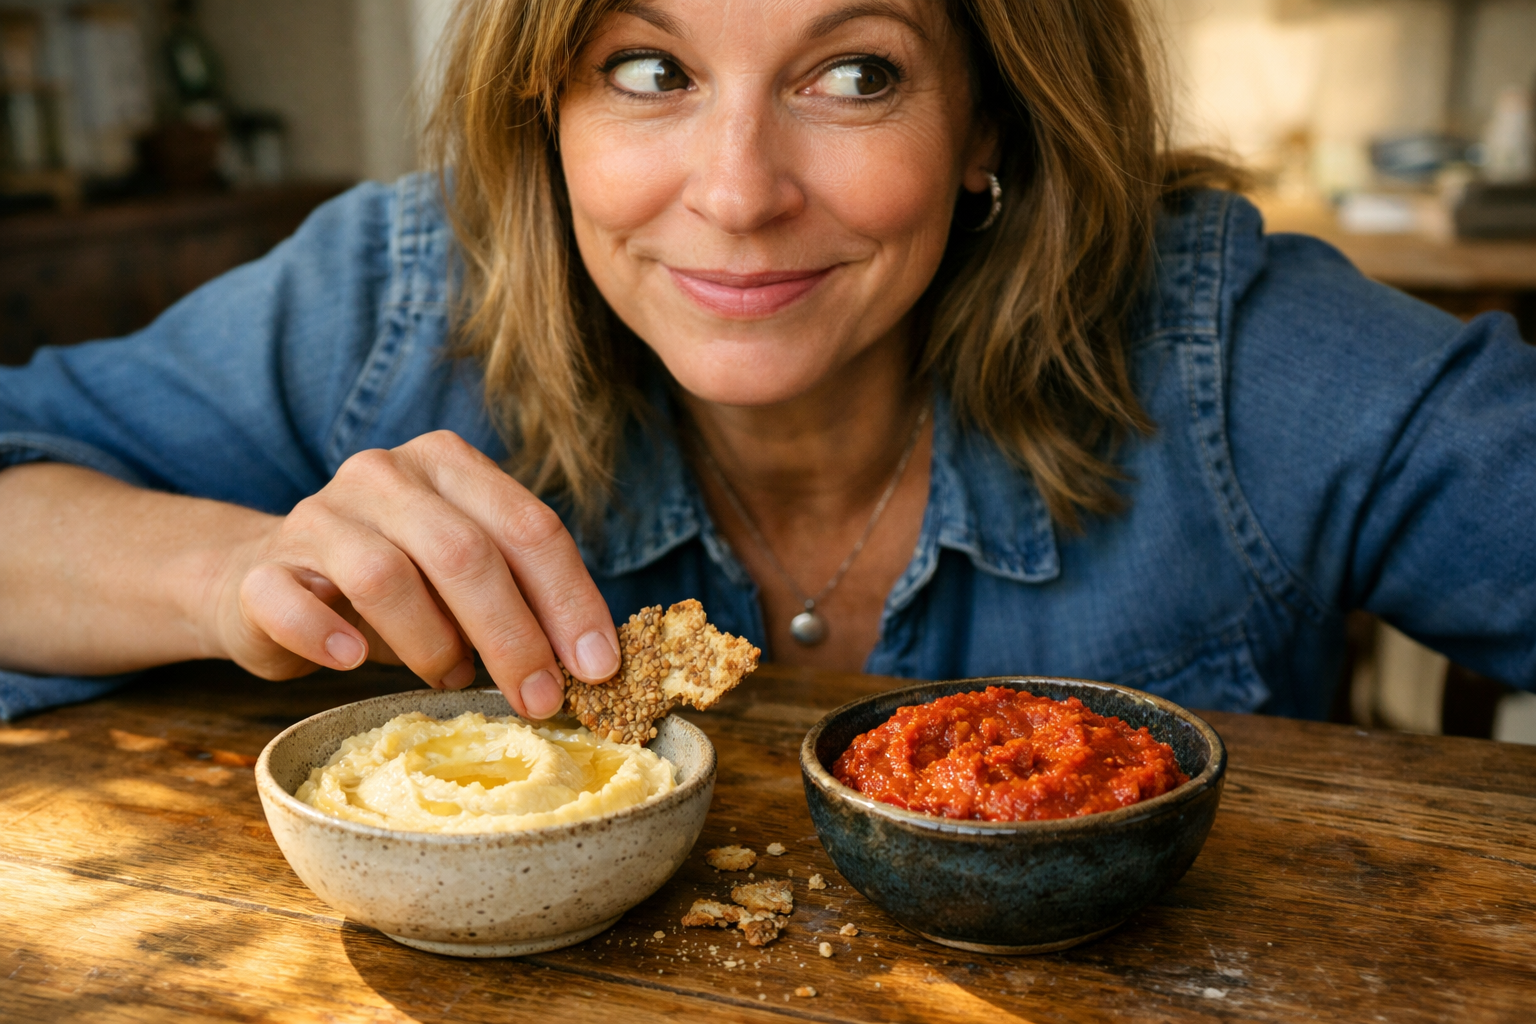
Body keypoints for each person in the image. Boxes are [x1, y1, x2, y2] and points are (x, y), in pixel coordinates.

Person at [1, 0, 1532, 724]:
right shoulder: (396, 296)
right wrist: (233, 574)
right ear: (547, 108)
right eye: (648, 72)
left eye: (854, 76)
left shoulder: (1220, 345)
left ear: (989, 121)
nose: (737, 191)